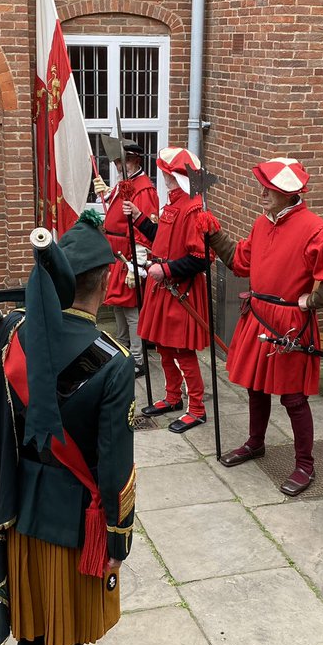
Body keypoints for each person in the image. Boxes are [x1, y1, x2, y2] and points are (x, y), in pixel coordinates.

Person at [0, 211, 133, 645]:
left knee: (29, 624)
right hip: (71, 519)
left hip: (14, 508)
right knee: (63, 637)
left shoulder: (12, 333)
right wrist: (118, 533)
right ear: (104, 282)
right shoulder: (111, 360)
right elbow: (113, 461)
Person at [206, 157, 323, 495]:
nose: (262, 192)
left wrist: (315, 300)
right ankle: (255, 442)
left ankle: (305, 464)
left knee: (293, 398)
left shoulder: (316, 230)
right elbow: (239, 261)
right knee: (255, 387)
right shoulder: (262, 224)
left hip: (289, 325)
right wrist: (214, 235)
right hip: (258, 315)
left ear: (288, 193)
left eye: (270, 187)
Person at [126, 146, 211, 433]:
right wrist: (138, 216)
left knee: (183, 352)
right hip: (163, 288)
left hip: (181, 290)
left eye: (166, 171)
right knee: (162, 347)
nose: (162, 175)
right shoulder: (173, 203)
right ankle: (173, 397)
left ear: (176, 175)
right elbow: (160, 238)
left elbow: (201, 259)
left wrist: (166, 270)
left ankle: (197, 409)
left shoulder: (194, 208)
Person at [93, 139, 158, 376]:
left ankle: (139, 359)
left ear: (136, 160)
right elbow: (119, 209)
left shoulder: (144, 188)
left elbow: (144, 229)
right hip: (115, 251)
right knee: (118, 306)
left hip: (129, 254)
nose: (120, 165)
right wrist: (107, 193)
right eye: (118, 160)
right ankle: (122, 349)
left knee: (131, 310)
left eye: (125, 160)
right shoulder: (126, 183)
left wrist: (137, 265)